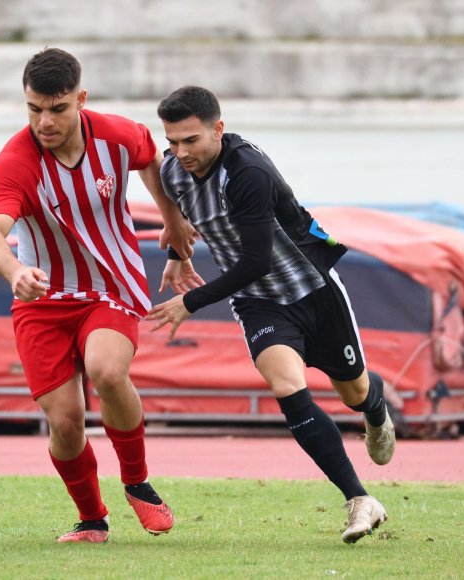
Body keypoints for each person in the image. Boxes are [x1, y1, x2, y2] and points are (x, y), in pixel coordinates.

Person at [146, 86, 396, 544]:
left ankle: (374, 404)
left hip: (313, 288)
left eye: (191, 141)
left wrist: (191, 302)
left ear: (218, 130)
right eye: (172, 141)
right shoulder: (172, 171)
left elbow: (256, 260)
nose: (180, 152)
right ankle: (360, 499)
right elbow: (187, 217)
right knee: (286, 385)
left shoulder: (247, 172)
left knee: (353, 391)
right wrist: (179, 255)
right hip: (257, 301)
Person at [0, 48, 200, 544]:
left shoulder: (115, 134)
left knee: (106, 368)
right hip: (41, 301)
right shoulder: (16, 161)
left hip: (110, 284)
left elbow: (151, 159)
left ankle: (137, 482)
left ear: (81, 98)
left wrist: (171, 217)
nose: (44, 121)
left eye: (56, 109)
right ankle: (93, 520)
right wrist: (13, 270)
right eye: (34, 109)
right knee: (66, 421)